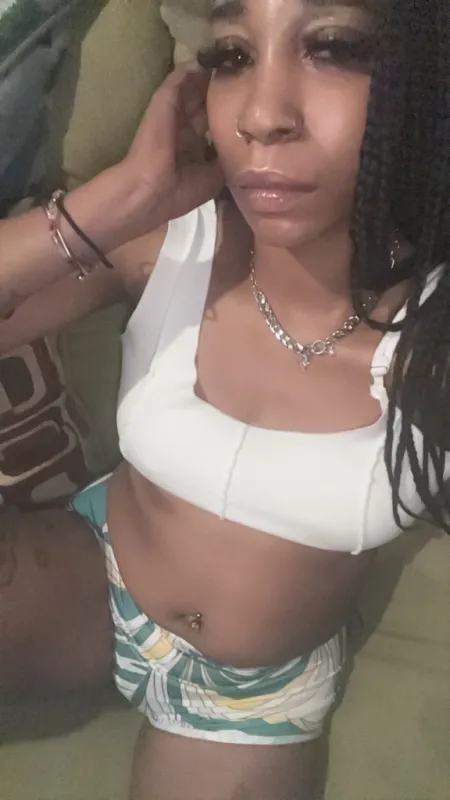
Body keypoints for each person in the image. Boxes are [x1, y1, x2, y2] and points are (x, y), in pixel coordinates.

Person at [1, 0, 450, 797]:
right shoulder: (175, 239)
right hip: (93, 573)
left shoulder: (434, 340)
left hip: (246, 699)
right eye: (233, 56)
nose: (261, 116)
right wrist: (121, 198)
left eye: (333, 47)